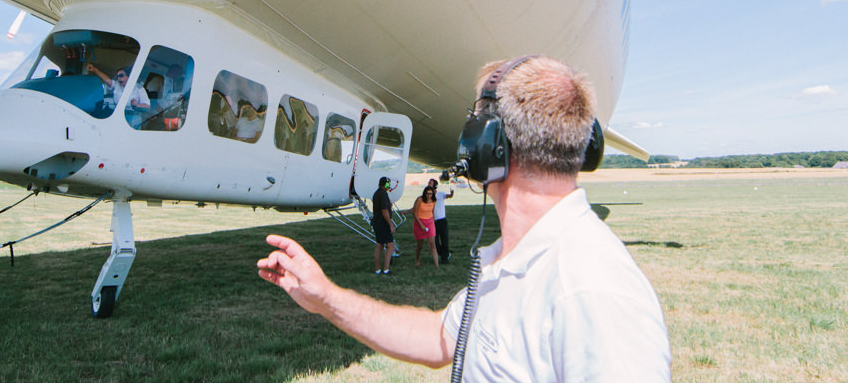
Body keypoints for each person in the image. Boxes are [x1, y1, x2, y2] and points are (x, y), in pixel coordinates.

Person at [257, 56, 671, 380]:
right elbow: (440, 338)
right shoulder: (518, 257)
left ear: (487, 146)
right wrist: (326, 298)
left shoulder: (593, 289)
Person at [370, 176, 396, 276]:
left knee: (380, 245)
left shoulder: (377, 193)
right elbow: (384, 211)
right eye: (388, 184)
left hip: (376, 222)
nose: (389, 186)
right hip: (382, 223)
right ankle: (386, 269)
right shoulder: (383, 194)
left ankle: (377, 269)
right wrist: (391, 224)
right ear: (385, 184)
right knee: (390, 245)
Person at [410, 185, 439, 268]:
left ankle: (437, 266)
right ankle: (417, 260)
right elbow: (414, 212)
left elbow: (432, 212)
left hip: (429, 222)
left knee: (432, 244)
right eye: (427, 194)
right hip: (419, 222)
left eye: (430, 194)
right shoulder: (420, 199)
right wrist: (421, 225)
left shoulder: (434, 200)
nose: (428, 195)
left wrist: (433, 222)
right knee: (420, 246)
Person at [427, 177, 454, 264]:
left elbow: (449, 196)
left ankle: (444, 259)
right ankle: (444, 254)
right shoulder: (428, 196)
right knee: (435, 243)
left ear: (435, 185)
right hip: (432, 222)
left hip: (442, 221)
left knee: (444, 240)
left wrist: (451, 193)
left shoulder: (440, 194)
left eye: (430, 183)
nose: (428, 184)